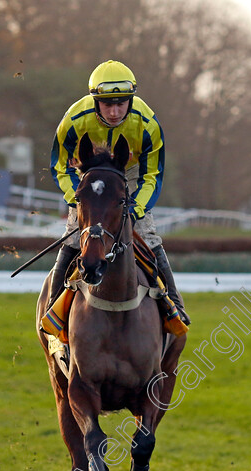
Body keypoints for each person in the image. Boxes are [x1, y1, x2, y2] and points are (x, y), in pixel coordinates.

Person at [48, 59, 190, 325]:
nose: (114, 112)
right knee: (72, 236)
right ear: (95, 102)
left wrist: (134, 210)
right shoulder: (73, 120)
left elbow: (152, 177)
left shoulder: (147, 124)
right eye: (107, 104)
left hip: (131, 172)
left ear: (131, 100)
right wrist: (76, 200)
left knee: (148, 235)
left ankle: (175, 305)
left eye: (121, 104)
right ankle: (51, 308)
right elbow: (59, 167)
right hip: (89, 175)